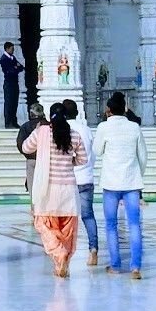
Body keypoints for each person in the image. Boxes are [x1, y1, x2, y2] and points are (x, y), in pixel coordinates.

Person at [23, 104, 88, 277]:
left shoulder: (42, 132)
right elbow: (82, 160)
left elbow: (26, 148)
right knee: (66, 230)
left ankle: (59, 254)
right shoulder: (74, 135)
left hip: (47, 190)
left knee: (44, 224)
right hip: (68, 190)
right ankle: (62, 262)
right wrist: (68, 163)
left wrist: (37, 131)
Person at [94, 91, 147, 278]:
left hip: (111, 182)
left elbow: (97, 150)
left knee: (111, 225)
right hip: (131, 182)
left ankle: (116, 265)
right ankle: (136, 266)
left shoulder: (103, 127)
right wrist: (138, 176)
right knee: (134, 224)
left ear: (109, 110)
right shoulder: (134, 127)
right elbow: (143, 156)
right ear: (124, 109)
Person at [61, 99, 99, 267]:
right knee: (88, 215)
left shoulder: (61, 130)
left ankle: (64, 254)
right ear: (77, 113)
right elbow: (93, 152)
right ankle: (93, 249)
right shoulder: (86, 129)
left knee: (66, 218)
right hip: (85, 177)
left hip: (67, 178)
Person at [17, 103, 47, 199]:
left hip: (31, 159)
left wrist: (29, 154)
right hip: (46, 159)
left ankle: (35, 207)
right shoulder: (48, 125)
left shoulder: (25, 126)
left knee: (32, 188)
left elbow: (20, 144)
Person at [0, 42, 25, 127]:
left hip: (14, 83)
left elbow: (21, 67)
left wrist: (15, 68)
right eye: (11, 49)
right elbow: (9, 71)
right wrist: (15, 68)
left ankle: (14, 121)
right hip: (8, 84)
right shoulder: (4, 59)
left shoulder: (12, 58)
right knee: (9, 103)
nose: (13, 50)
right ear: (7, 48)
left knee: (14, 103)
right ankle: (8, 122)